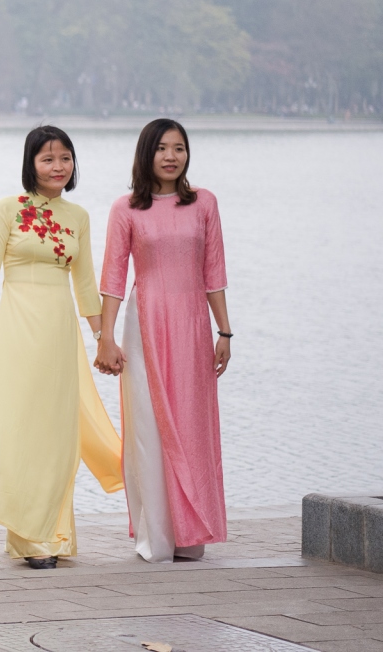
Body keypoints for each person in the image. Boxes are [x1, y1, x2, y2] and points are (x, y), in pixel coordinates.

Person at [0, 125, 123, 568]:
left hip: (59, 330)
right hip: (19, 328)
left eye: (65, 158)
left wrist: (104, 339)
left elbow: (85, 284)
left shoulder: (78, 216)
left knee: (58, 433)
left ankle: (54, 534)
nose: (57, 167)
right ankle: (29, 537)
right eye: (47, 159)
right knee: (24, 427)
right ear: (31, 163)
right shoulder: (8, 209)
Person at [96, 118, 231, 563]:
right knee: (148, 427)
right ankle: (157, 535)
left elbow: (214, 273)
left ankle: (190, 533)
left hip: (192, 325)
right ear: (146, 154)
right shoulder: (126, 209)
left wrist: (224, 331)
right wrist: (106, 338)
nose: (171, 157)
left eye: (179, 148)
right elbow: (113, 278)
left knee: (192, 424)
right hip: (144, 325)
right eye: (162, 149)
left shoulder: (204, 203)